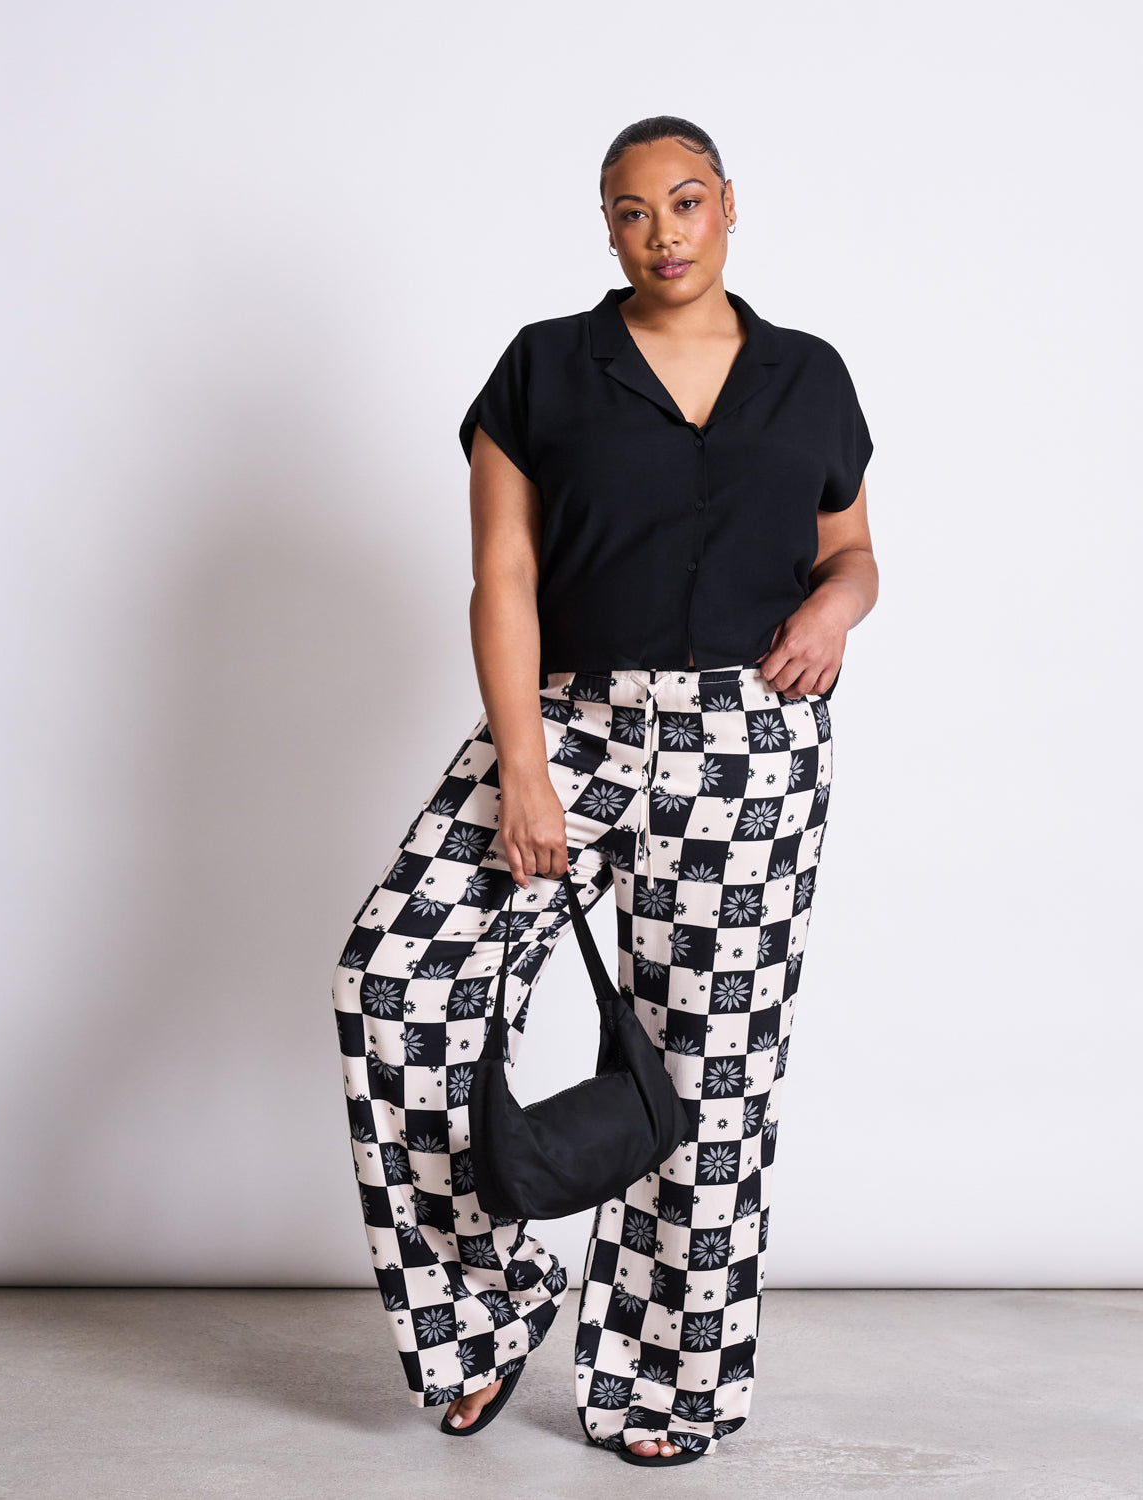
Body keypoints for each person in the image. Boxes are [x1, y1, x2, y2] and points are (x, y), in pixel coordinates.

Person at [331, 114, 878, 1468]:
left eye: (685, 202)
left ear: (730, 204)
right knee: (394, 981)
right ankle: (487, 1306)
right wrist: (523, 768)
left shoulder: (809, 374)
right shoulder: (543, 367)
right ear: (608, 229)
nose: (663, 233)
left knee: (711, 1065)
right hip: (566, 722)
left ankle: (664, 1383)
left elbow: (853, 551)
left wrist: (837, 612)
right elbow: (504, 576)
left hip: (751, 739)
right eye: (632, 212)